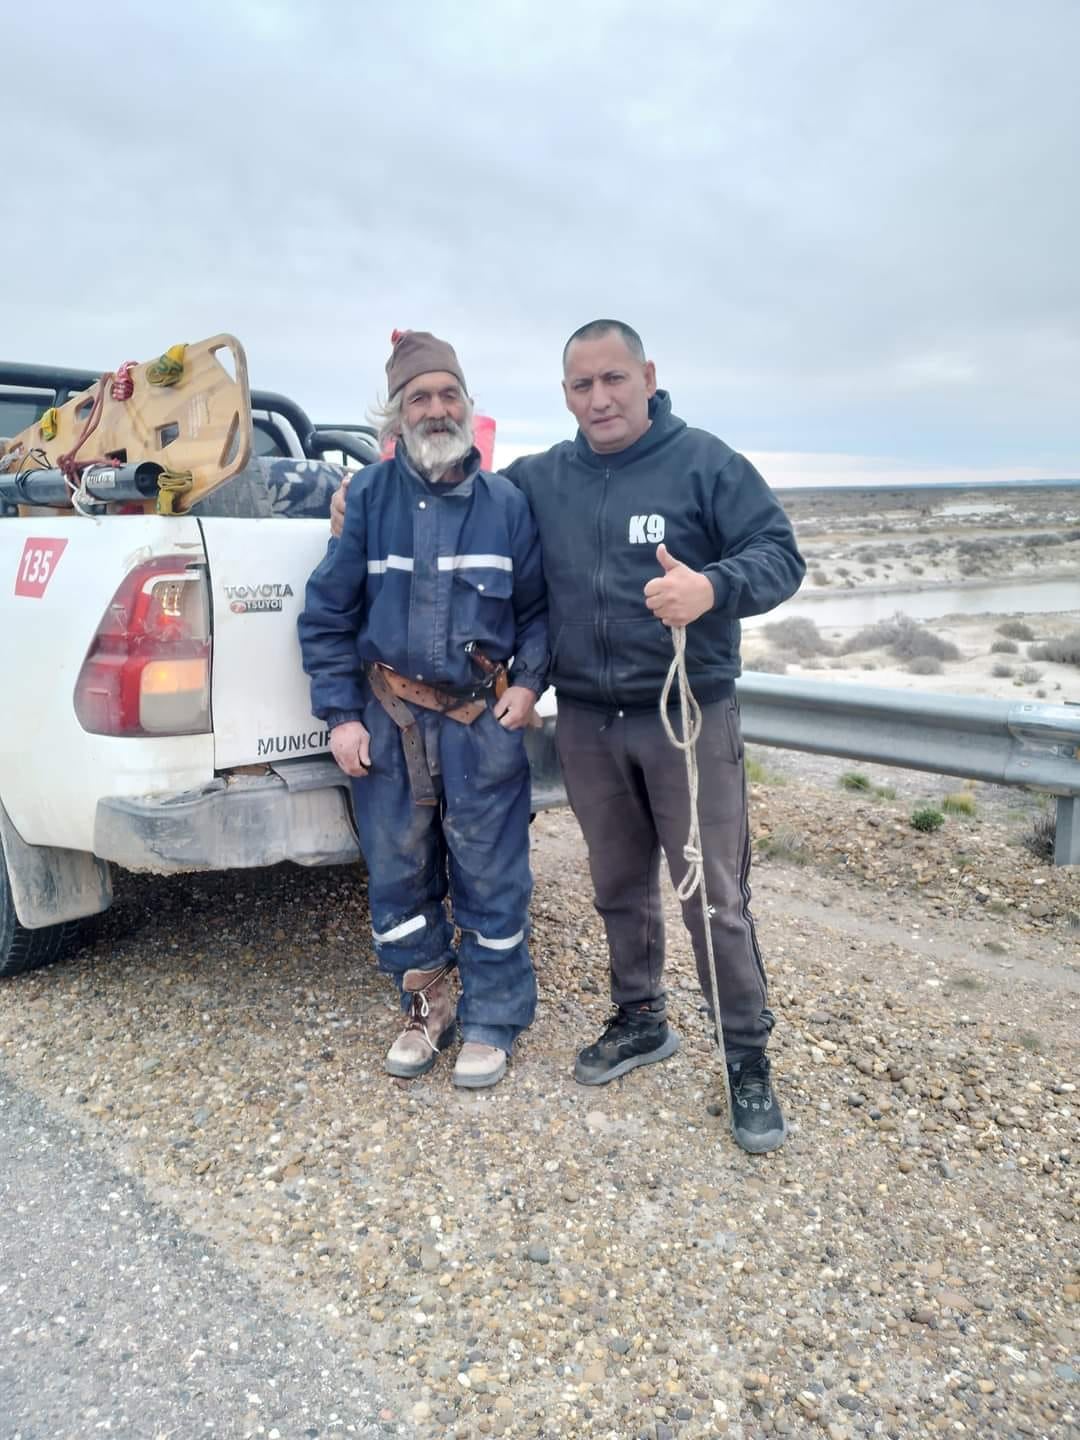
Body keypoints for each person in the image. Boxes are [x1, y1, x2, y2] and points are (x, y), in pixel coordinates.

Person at [331, 320, 804, 1151]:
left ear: (647, 376)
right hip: (587, 720)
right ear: (565, 396)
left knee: (713, 899)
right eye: (582, 386)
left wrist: (714, 587)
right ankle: (640, 1019)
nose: (600, 398)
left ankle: (746, 1059)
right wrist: (347, 491)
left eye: (614, 380)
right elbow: (450, 488)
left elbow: (780, 554)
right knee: (617, 885)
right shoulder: (541, 479)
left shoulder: (705, 464)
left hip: (683, 714)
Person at [301, 330, 548, 1089]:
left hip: (482, 727)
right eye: (419, 397)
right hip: (388, 723)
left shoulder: (507, 504)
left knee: (492, 873)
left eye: (448, 395)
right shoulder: (369, 499)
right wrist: (340, 716)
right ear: (397, 414)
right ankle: (428, 1001)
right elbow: (326, 615)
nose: (435, 408)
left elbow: (539, 614)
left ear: (468, 408)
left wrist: (527, 685)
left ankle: (495, 1018)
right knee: (399, 875)